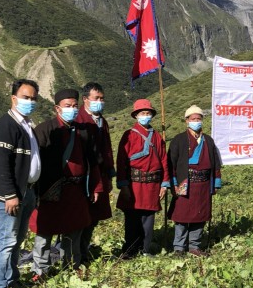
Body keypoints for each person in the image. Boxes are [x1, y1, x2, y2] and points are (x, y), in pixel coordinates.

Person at [29, 89, 102, 279]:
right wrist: (34, 191)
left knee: (74, 228)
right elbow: (34, 163)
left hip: (76, 189)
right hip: (50, 189)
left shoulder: (84, 131)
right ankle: (40, 270)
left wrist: (96, 186)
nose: (72, 109)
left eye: (74, 106)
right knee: (44, 230)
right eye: (67, 106)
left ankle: (72, 265)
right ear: (57, 108)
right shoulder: (44, 130)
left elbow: (93, 161)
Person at [0, 79, 41, 288]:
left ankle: (12, 280)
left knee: (17, 240)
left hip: (27, 191)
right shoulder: (5, 126)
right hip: (10, 195)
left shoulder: (26, 125)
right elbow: (0, 163)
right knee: (6, 241)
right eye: (26, 97)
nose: (30, 102)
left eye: (33, 98)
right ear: (14, 98)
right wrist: (10, 195)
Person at [115, 99, 170, 257]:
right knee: (132, 218)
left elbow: (164, 160)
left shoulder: (157, 137)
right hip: (134, 185)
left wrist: (164, 184)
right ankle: (130, 250)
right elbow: (121, 161)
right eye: (142, 113)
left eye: (148, 113)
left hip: (152, 185)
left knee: (148, 219)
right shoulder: (129, 135)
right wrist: (123, 185)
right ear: (136, 116)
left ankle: (145, 250)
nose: (145, 116)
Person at [167, 105, 223, 256]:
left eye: (199, 119)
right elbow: (170, 164)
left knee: (200, 216)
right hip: (184, 183)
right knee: (182, 217)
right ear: (187, 121)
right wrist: (173, 184)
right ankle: (179, 247)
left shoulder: (209, 141)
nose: (196, 121)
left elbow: (216, 164)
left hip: (204, 184)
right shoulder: (178, 140)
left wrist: (216, 183)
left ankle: (194, 247)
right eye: (193, 119)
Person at [74, 82, 115, 262]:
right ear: (85, 99)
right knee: (81, 215)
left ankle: (83, 249)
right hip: (87, 176)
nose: (100, 101)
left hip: (102, 174)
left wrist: (109, 175)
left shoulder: (102, 121)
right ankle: (76, 254)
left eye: (102, 98)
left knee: (94, 215)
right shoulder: (79, 120)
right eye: (96, 98)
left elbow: (107, 149)